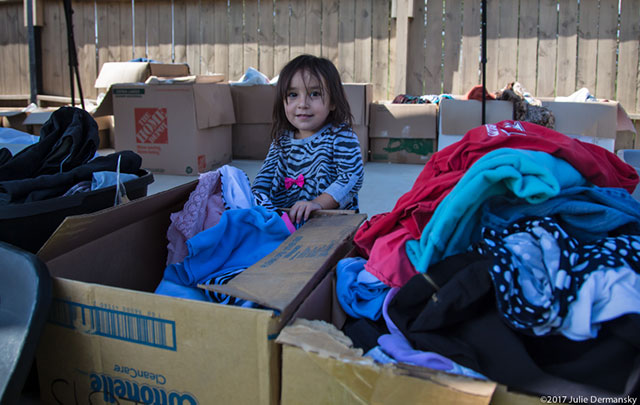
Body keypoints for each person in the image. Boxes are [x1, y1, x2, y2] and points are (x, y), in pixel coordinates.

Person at [252, 54, 364, 224]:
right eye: (293, 95)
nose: (302, 103)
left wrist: (317, 204)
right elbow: (265, 177)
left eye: (314, 93)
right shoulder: (282, 140)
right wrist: (255, 201)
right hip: (285, 218)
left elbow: (350, 178)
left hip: (328, 220)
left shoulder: (340, 136)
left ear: (333, 101)